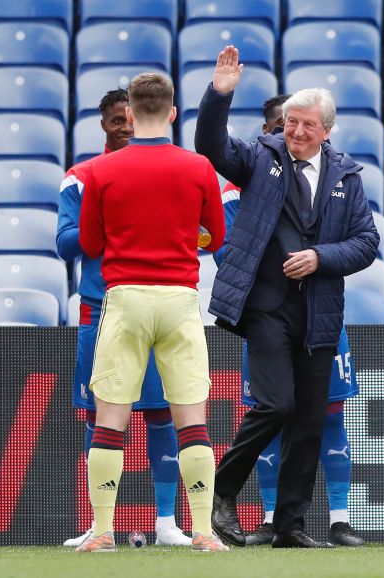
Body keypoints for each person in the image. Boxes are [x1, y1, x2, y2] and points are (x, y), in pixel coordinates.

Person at [196, 46, 379, 549]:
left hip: (320, 310)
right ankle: (222, 490)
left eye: (307, 125)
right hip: (266, 307)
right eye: (290, 122)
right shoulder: (260, 157)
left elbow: (367, 243)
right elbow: (211, 145)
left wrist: (322, 257)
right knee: (275, 406)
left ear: (327, 131)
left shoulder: (347, 175)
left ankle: (290, 526)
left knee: (310, 419)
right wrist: (220, 95)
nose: (296, 132)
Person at [76, 72, 227, 553]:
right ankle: (202, 530)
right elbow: (215, 237)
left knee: (110, 418)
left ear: (131, 113)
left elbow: (90, 243)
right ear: (173, 113)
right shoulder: (198, 168)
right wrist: (184, 239)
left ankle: (102, 531)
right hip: (179, 298)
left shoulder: (99, 172)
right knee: (190, 418)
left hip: (124, 298)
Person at [56, 88, 191, 548]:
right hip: (101, 309)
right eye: (116, 120)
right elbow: (67, 242)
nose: (126, 127)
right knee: (101, 418)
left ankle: (167, 522)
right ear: (104, 125)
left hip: (150, 306)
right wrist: (111, 223)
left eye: (130, 119)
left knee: (160, 416)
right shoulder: (81, 177)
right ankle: (101, 526)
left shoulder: (166, 172)